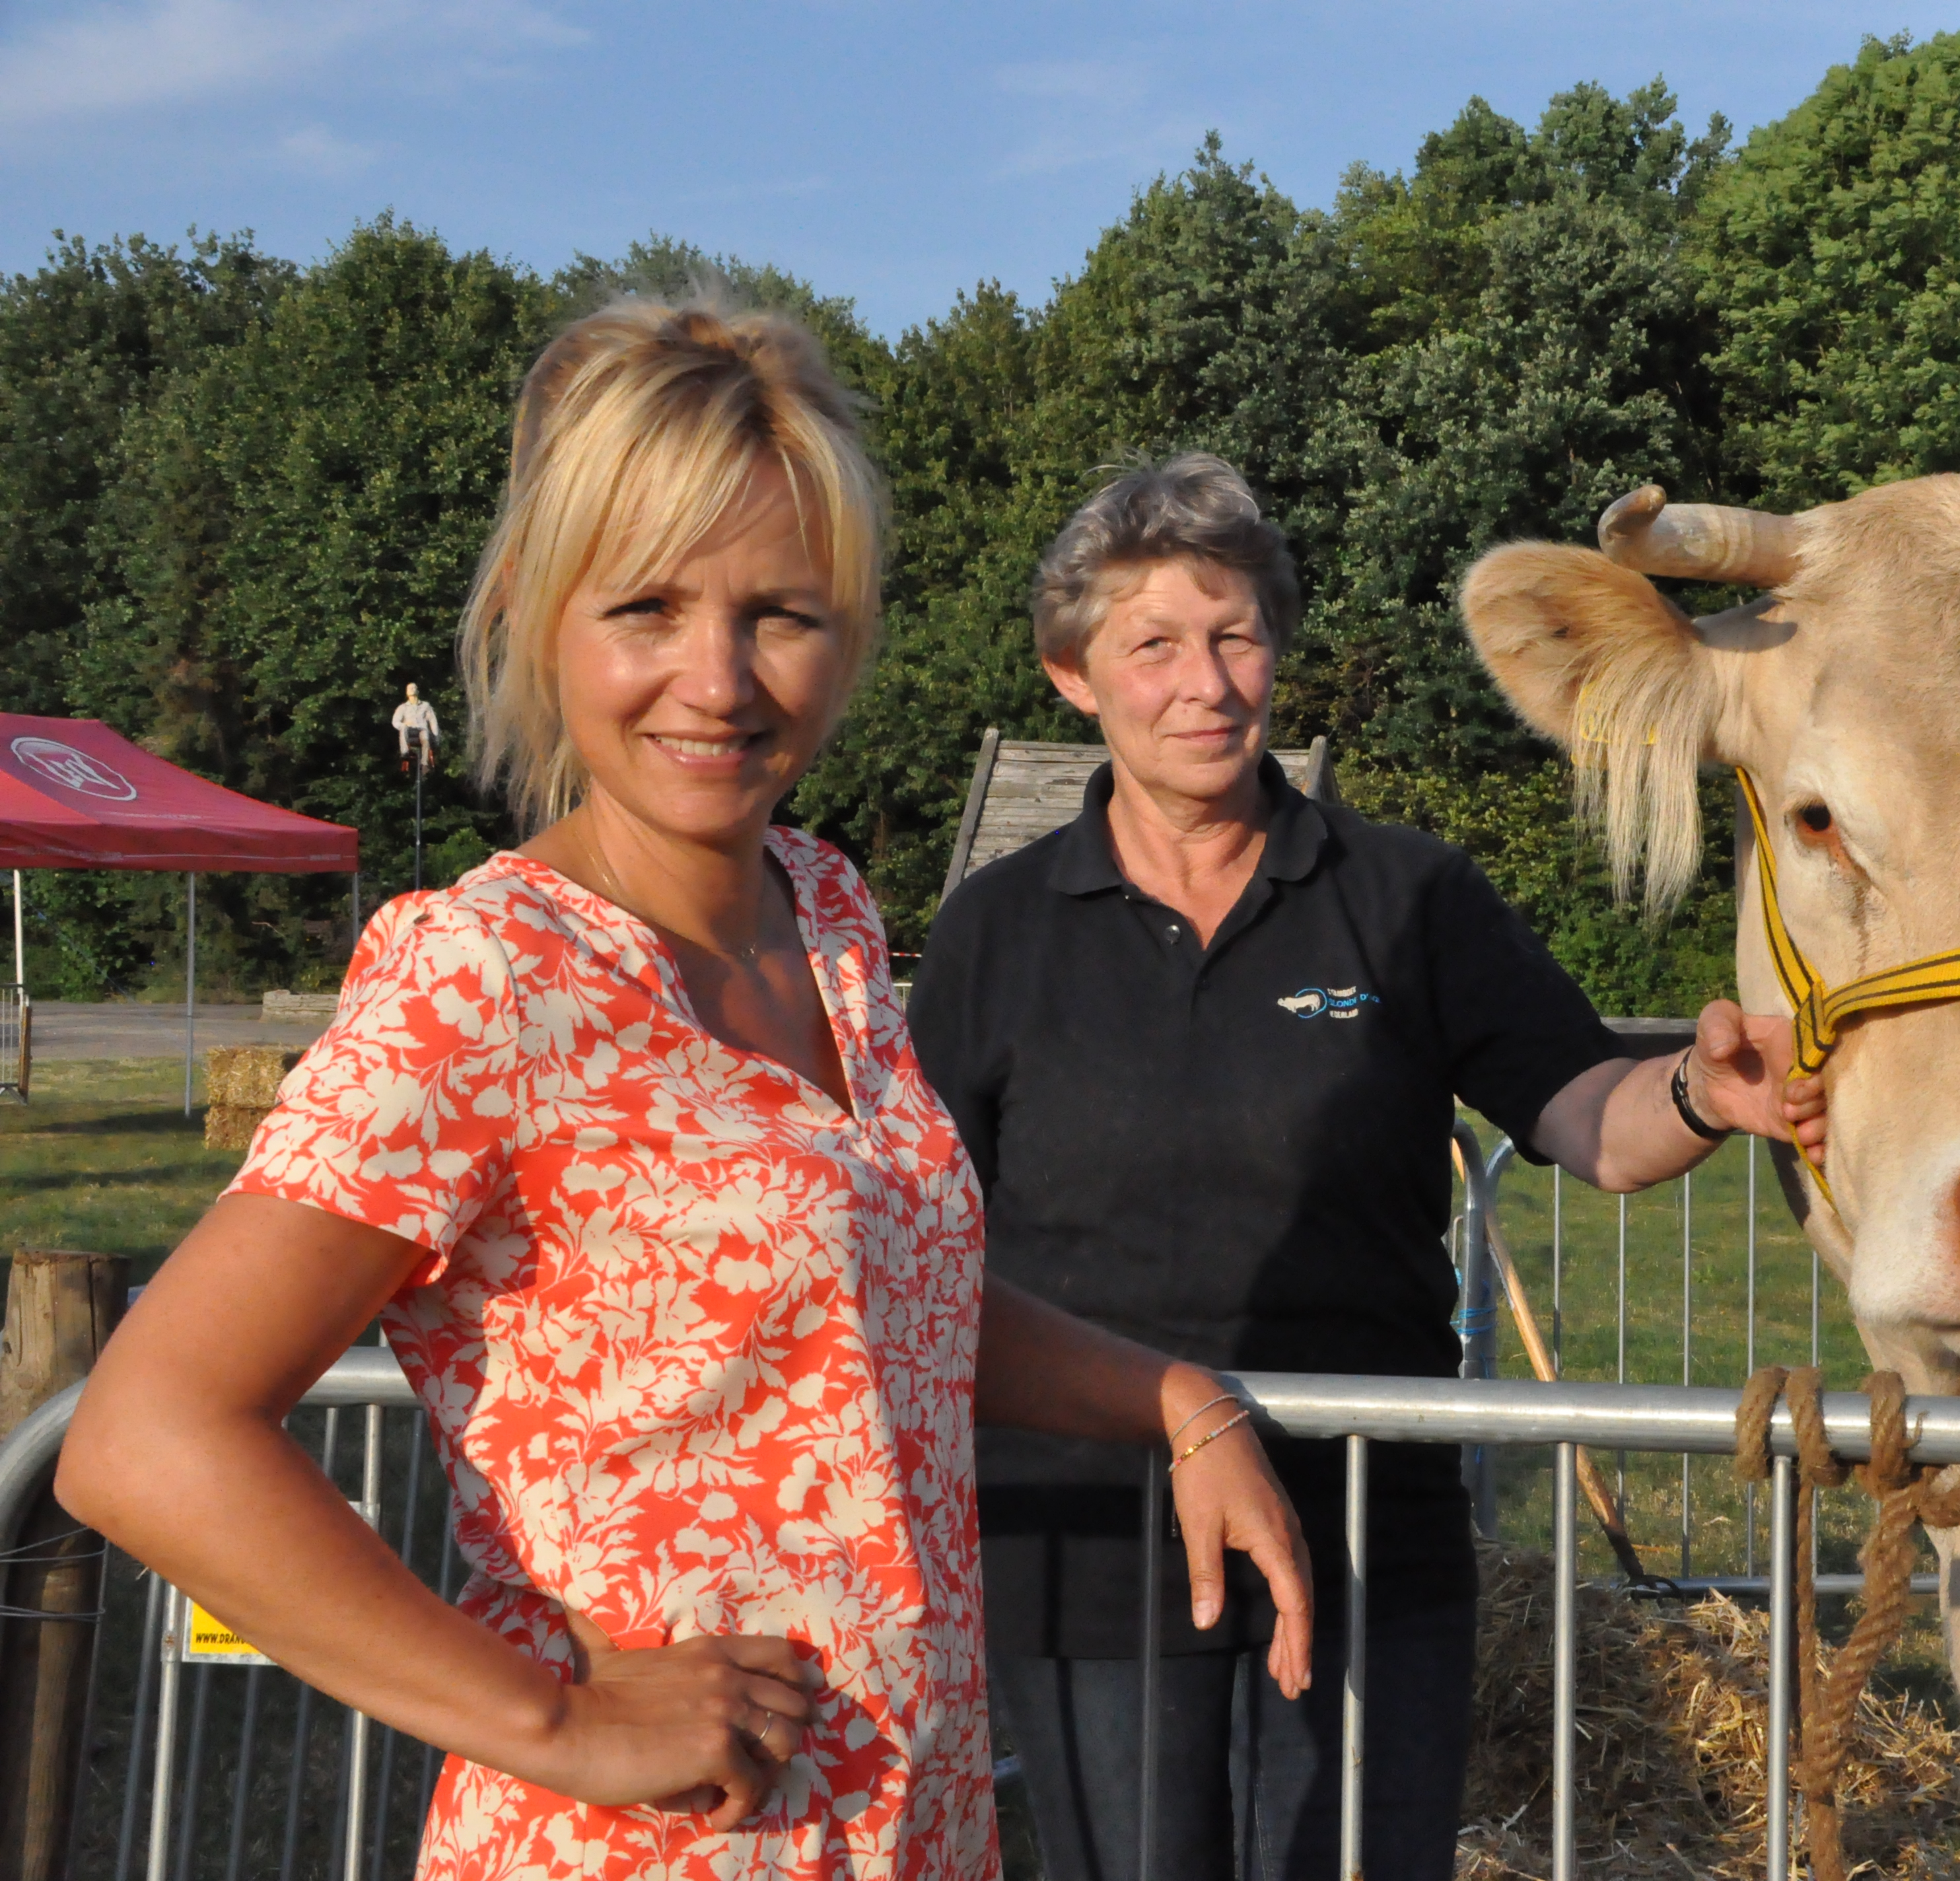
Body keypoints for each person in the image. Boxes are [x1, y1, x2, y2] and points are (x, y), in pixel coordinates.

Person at [57, 306, 1312, 1881]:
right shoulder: (490, 972)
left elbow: (880, 1301)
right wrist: (551, 1717)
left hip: (911, 1829)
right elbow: (143, 1432)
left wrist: (1174, 1399)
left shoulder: (826, 909)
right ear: (537, 615)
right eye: (645, 606)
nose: (715, 680)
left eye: (780, 612)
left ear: (848, 632)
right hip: (652, 1845)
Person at [907, 454, 1827, 1881]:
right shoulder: (992, 931)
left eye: (1235, 633)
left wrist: (1699, 1090)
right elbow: (918, 1244)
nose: (1204, 682)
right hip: (1090, 1545)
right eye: (1150, 644)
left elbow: (1587, 1115)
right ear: (1070, 677)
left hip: (1362, 1540)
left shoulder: (1405, 896)